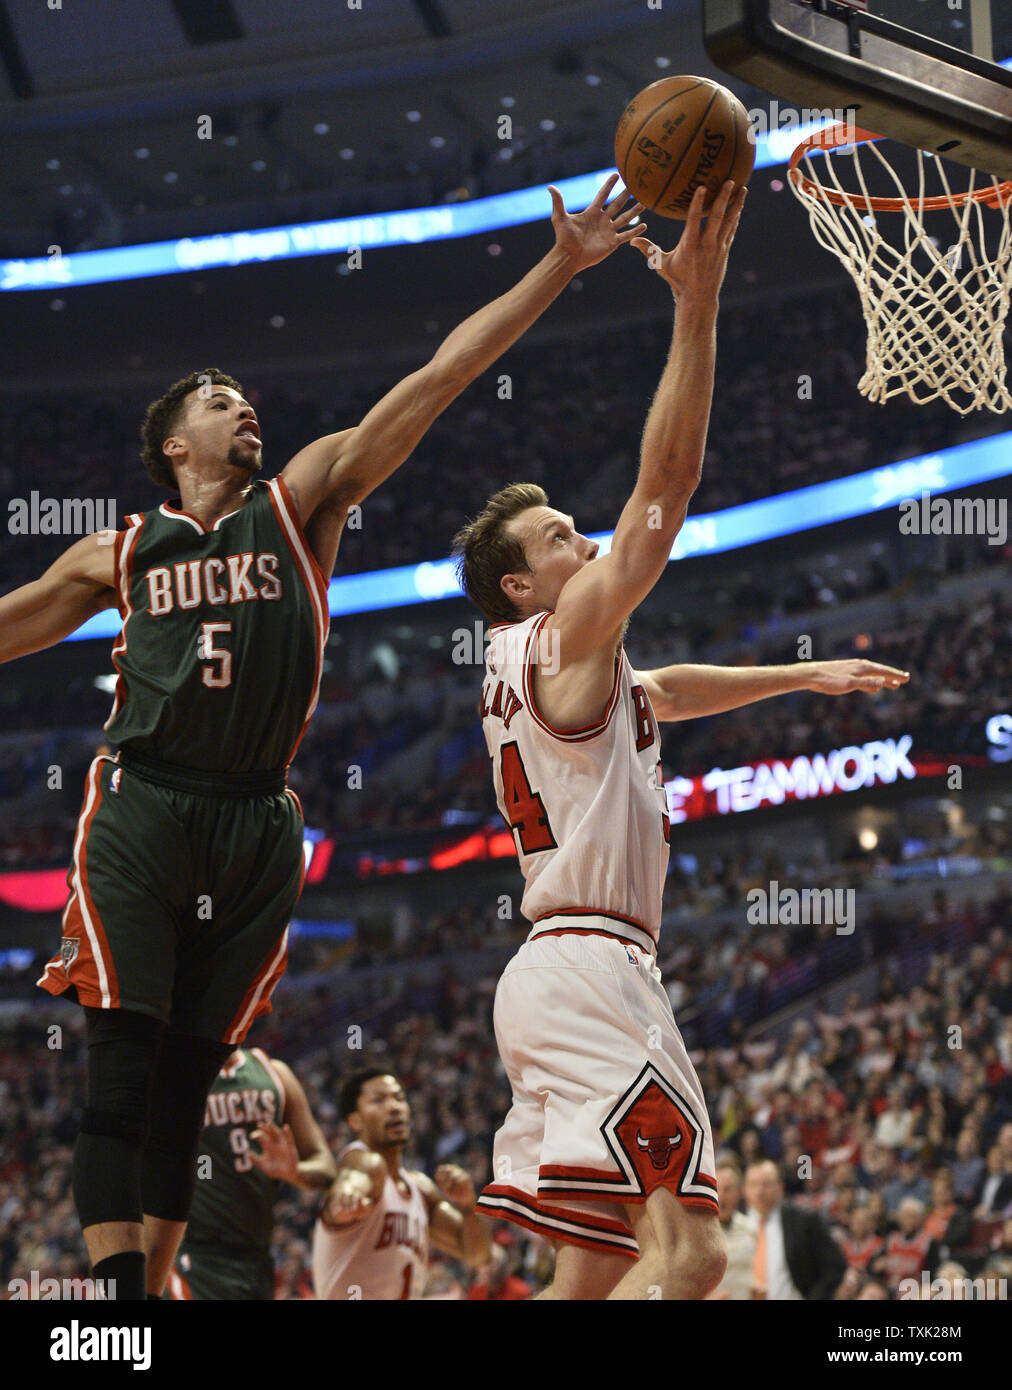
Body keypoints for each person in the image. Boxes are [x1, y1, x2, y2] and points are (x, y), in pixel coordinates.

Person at [3, 175, 644, 1300]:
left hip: (258, 814)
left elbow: (439, 378)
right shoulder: (114, 553)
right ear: (170, 447)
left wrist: (561, 265)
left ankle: (148, 1296)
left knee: (191, 1077)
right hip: (145, 800)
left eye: (244, 393)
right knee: (121, 1063)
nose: (241, 405)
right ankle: (115, 1314)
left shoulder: (299, 500)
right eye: (215, 399)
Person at [452, 180, 908, 1300]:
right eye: (559, 535)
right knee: (695, 1257)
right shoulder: (559, 633)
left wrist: (806, 669)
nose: (583, 534)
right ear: (520, 584)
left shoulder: (550, 670)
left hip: (558, 970)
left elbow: (663, 689)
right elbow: (666, 489)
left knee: (595, 1273)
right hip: (594, 967)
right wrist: (696, 304)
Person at [165, 1046, 335, 1299]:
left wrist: (295, 1172)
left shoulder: (274, 1073)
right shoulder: (171, 1074)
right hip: (196, 1257)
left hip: (258, 1259)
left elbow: (326, 1166)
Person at [312, 1068, 491, 1299]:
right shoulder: (362, 1163)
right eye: (379, 1100)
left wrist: (468, 1205)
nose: (394, 1107)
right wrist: (346, 1194)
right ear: (355, 1121)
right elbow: (354, 1176)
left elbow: (478, 1256)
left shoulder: (421, 1190)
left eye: (399, 1098)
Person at [743, 1159, 847, 1300]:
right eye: (753, 1184)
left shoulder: (804, 1220)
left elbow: (835, 1266)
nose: (759, 1191)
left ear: (780, 1188)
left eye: (766, 1184)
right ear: (744, 1189)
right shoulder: (733, 1223)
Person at [706, 1156, 757, 1300]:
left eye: (727, 1189)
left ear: (739, 1193)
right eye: (716, 1189)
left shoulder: (751, 1228)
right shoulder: (698, 1233)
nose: (721, 1196)